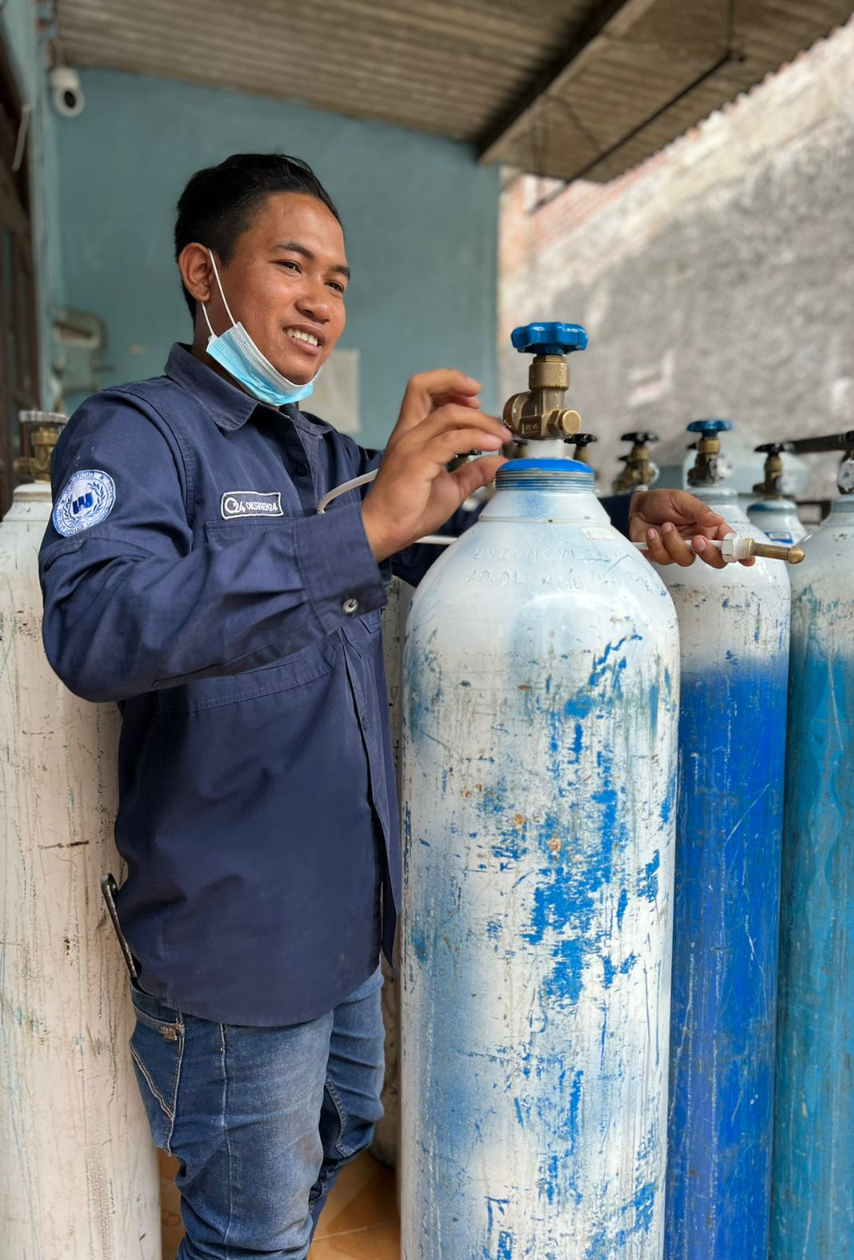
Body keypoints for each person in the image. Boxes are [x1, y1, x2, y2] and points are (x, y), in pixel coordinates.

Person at [39, 152, 735, 1260]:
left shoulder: (322, 453)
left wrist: (613, 509)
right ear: (203, 272)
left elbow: (449, 522)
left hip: (350, 930)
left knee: (340, 1139)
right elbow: (94, 625)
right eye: (292, 264)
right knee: (248, 1232)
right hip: (235, 948)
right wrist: (352, 535)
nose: (322, 300)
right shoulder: (141, 434)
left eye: (341, 279)